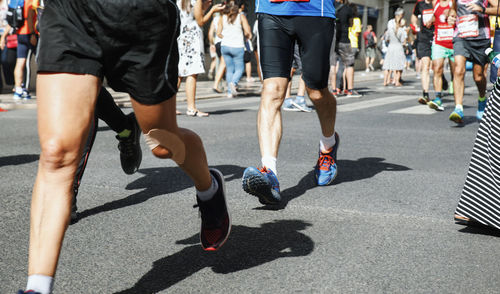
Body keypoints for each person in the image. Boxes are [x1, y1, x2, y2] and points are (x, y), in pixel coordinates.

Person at [18, 0, 231, 292]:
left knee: (162, 144)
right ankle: (37, 287)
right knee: (57, 154)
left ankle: (209, 188)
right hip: (71, 12)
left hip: (140, 15)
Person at [242, 0, 337, 204]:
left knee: (317, 92)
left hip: (315, 10)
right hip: (271, 9)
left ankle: (328, 146)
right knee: (272, 90)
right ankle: (270, 174)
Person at [448, 0, 497, 123]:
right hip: (461, 37)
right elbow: (453, 9)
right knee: (458, 69)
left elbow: (498, 9)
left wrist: (483, 10)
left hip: (480, 39)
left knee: (478, 77)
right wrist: (451, 16)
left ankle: (481, 99)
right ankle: (458, 108)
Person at [177, 0, 224, 116]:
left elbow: (192, 16)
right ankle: (191, 107)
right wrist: (212, 10)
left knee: (180, 74)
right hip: (192, 38)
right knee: (192, 73)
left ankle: (169, 107)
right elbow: (200, 21)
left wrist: (205, 7)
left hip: (182, 37)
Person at [0, 0, 37, 101]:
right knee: (30, 62)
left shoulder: (17, 1)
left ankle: (18, 89)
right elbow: (29, 16)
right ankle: (25, 89)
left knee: (20, 61)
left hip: (20, 33)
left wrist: (3, 36)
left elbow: (11, 22)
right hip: (30, 33)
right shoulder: (31, 1)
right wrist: (33, 33)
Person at [217, 1, 252, 98]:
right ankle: (234, 82)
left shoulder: (222, 17)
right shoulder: (241, 16)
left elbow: (218, 33)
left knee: (229, 70)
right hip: (237, 46)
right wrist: (247, 36)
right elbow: (247, 31)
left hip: (225, 46)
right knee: (240, 68)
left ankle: (229, 92)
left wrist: (227, 37)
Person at [428, 0, 455, 112]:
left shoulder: (453, 2)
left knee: (456, 72)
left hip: (453, 42)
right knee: (437, 68)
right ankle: (438, 98)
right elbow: (436, 16)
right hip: (439, 42)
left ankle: (455, 89)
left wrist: (452, 12)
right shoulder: (435, 2)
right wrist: (431, 20)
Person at [331, 0, 360, 98]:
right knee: (349, 64)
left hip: (332, 40)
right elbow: (351, 24)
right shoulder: (347, 9)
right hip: (344, 40)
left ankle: (334, 90)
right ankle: (350, 90)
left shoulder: (330, 6)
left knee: (333, 65)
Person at [412, 0, 435, 104]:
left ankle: (442, 78)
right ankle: (425, 94)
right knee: (425, 66)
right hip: (423, 37)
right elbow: (414, 16)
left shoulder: (437, 2)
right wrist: (414, 26)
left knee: (437, 66)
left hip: (437, 36)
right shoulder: (420, 4)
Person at [283, 42, 312, 113]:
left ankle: (287, 100)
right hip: (299, 39)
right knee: (306, 67)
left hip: (289, 39)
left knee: (291, 68)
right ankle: (300, 99)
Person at [383, 8, 407, 87]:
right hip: (398, 47)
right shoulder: (402, 27)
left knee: (388, 65)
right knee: (399, 65)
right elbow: (403, 39)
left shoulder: (390, 23)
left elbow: (386, 37)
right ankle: (397, 81)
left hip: (391, 46)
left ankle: (385, 81)